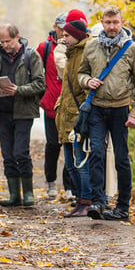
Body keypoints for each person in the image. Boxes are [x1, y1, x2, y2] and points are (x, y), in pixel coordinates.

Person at [77, 6, 135, 221]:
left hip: (120, 110)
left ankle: (123, 207)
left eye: (115, 22)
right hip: (96, 108)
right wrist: (85, 81)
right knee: (96, 153)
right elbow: (81, 73)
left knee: (121, 159)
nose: (111, 27)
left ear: (122, 22)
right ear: (102, 22)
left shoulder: (133, 49)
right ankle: (98, 202)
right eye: (108, 22)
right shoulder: (91, 46)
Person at [0, 23, 46, 207]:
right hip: (2, 111)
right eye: (2, 41)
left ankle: (29, 194)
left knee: (20, 152)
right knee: (8, 154)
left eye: (8, 41)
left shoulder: (31, 56)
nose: (5, 45)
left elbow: (40, 84)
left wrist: (19, 90)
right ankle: (14, 195)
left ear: (17, 37)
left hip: (24, 111)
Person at [55, 13, 92, 217]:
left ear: (77, 36)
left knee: (80, 162)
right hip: (66, 115)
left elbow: (84, 89)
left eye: (67, 35)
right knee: (70, 164)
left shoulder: (85, 53)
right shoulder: (70, 53)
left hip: (78, 116)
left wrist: (82, 115)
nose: (64, 38)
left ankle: (86, 200)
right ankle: (79, 199)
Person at [38, 13, 75, 198]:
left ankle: (69, 186)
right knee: (53, 145)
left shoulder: (74, 44)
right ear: (55, 27)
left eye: (67, 29)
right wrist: (40, 94)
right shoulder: (44, 47)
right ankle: (51, 182)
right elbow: (35, 71)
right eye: (61, 28)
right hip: (51, 104)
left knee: (70, 144)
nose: (63, 32)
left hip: (70, 104)